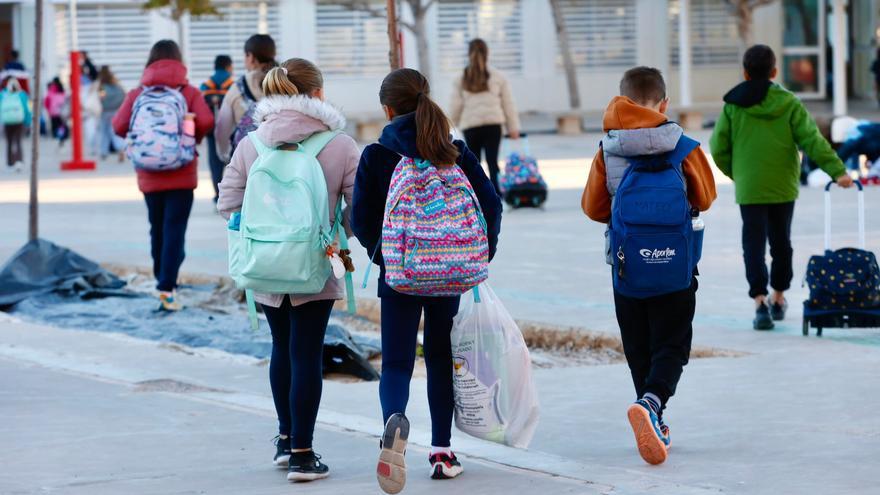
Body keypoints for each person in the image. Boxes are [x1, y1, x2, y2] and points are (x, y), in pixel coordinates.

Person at [351, 68, 502, 492]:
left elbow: (360, 218)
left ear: (387, 109)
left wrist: (384, 256)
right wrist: (476, 252)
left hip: (400, 275)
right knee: (439, 358)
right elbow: (490, 204)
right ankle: (441, 451)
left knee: (397, 362)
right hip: (450, 272)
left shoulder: (378, 155)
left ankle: (393, 428)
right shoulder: (454, 150)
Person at [217, 58, 359, 483]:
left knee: (282, 346)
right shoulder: (339, 144)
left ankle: (285, 441)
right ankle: (303, 454)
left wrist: (266, 227)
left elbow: (227, 205)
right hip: (316, 263)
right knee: (306, 352)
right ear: (317, 93)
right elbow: (359, 211)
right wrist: (336, 235)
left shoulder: (252, 143)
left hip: (264, 264)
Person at [582, 66, 716, 466]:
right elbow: (705, 197)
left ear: (623, 100)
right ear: (664, 104)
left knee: (639, 345)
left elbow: (594, 207)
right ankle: (652, 404)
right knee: (672, 343)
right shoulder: (684, 145)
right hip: (676, 267)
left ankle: (651, 410)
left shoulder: (609, 148)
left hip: (627, 268)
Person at [709, 45, 853, 331]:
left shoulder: (733, 105)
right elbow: (812, 141)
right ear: (775, 72)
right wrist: (839, 172)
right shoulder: (789, 102)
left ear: (745, 72)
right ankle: (778, 297)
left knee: (753, 245)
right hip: (783, 186)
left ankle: (759, 302)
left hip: (750, 187)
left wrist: (739, 174)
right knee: (781, 243)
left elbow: (717, 147)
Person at [112, 40, 213, 311]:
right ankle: (167, 285)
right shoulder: (189, 91)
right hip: (182, 172)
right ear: (179, 61)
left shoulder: (137, 93)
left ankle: (162, 280)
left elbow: (118, 125)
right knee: (175, 230)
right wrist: (190, 139)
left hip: (148, 173)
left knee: (156, 228)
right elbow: (206, 121)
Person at [449, 38, 520, 194]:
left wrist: (448, 127)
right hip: (493, 125)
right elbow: (508, 104)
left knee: (475, 163)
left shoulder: (461, 77)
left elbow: (456, 105)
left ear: (469, 54)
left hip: (471, 126)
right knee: (493, 161)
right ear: (487, 53)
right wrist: (513, 128)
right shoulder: (498, 76)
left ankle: (478, 193)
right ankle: (496, 193)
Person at [214, 34, 276, 162]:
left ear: (251, 56)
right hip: (281, 160)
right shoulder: (286, 82)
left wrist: (224, 154)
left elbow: (222, 128)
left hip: (247, 163)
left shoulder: (238, 88)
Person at [200, 55, 235, 202]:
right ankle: (232, 196)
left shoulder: (205, 85)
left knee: (215, 164)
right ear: (228, 66)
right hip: (231, 130)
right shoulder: (234, 84)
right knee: (234, 163)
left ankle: (218, 197)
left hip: (212, 131)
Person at [0, 77, 31, 172]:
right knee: (18, 141)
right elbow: (27, 109)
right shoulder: (22, 95)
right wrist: (28, 121)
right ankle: (19, 161)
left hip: (7, 121)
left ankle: (10, 163)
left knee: (9, 142)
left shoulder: (2, 94)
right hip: (19, 121)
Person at [96, 66, 125, 160]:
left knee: (104, 132)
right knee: (114, 132)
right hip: (116, 111)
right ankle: (120, 148)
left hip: (105, 112)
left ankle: (103, 152)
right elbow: (123, 95)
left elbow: (101, 98)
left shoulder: (102, 87)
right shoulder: (116, 85)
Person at [44, 78, 69, 145]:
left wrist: (48, 109)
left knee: (55, 126)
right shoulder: (62, 88)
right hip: (61, 111)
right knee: (61, 126)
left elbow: (47, 100)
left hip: (53, 111)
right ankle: (61, 137)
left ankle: (57, 137)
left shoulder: (52, 88)